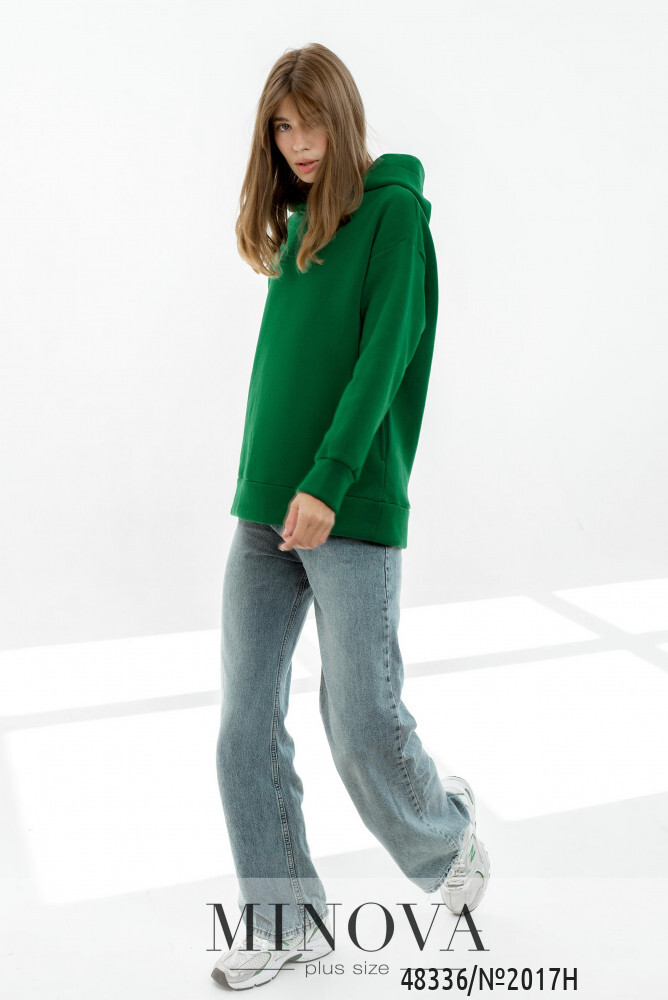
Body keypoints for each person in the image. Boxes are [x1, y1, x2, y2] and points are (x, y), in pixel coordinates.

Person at [212, 42, 490, 991]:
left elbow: (384, 357)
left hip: (347, 503)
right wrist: (265, 484)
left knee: (360, 718)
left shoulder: (394, 214)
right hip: (265, 509)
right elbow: (282, 373)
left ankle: (448, 840)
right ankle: (285, 921)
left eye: (313, 122)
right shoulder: (299, 225)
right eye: (282, 128)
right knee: (243, 727)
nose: (298, 143)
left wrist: (329, 483)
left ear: (346, 116)